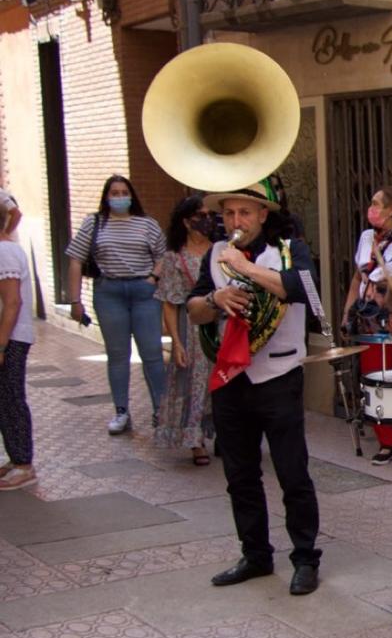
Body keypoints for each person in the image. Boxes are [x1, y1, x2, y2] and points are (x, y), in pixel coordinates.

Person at [186, 179, 322, 596]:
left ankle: (304, 558)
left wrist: (244, 269)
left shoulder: (289, 251)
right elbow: (192, 309)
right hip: (230, 378)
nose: (235, 221)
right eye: (228, 214)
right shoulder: (213, 255)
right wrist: (215, 300)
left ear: (263, 215)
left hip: (277, 376)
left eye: (244, 212)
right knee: (239, 473)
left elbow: (301, 290)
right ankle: (256, 554)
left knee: (291, 471)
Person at [64, 175, 168, 434]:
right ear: (106, 197)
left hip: (144, 293)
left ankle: (161, 410)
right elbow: (76, 260)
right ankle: (121, 411)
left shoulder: (147, 224)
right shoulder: (94, 223)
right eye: (114, 192)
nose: (120, 197)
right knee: (118, 355)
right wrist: (75, 301)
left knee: (152, 353)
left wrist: (152, 278)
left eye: (124, 192)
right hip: (109, 292)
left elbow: (164, 256)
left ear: (132, 195)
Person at [341, 186, 392, 465]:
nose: (372, 208)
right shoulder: (367, 238)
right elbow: (358, 278)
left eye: (377, 204)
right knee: (374, 379)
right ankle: (386, 442)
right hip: (369, 318)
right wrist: (346, 313)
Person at [154, 196, 217, 466]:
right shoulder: (174, 257)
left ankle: (221, 433)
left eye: (208, 215)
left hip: (222, 326)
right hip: (191, 329)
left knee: (219, 382)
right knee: (195, 382)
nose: (206, 220)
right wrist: (176, 343)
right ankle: (195, 440)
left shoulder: (221, 250)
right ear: (185, 221)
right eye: (199, 215)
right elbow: (169, 304)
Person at [0, 200, 36, 491]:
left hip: (11, 338)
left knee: (12, 398)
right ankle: (16, 458)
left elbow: (12, 303)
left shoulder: (5, 252)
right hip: (7, 337)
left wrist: (1, 345)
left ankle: (24, 464)